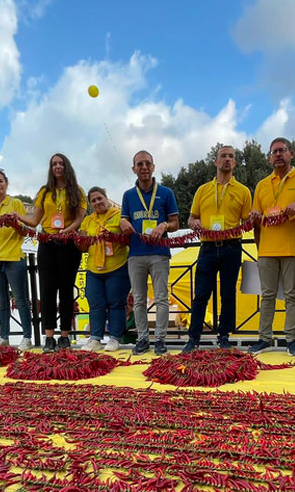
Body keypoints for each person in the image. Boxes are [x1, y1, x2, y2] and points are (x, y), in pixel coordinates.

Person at [250, 138, 295, 356]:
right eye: (274, 152)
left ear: (292, 154)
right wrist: (256, 223)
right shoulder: (261, 185)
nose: (278, 154)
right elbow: (256, 218)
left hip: (292, 247)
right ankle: (264, 338)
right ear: (269, 158)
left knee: (291, 295)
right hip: (267, 250)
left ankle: (292, 339)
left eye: (282, 150)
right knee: (267, 295)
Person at [182, 146, 252, 353]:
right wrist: (194, 223)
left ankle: (224, 336)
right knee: (201, 294)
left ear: (236, 163)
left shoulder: (243, 191)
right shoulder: (202, 190)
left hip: (232, 247)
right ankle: (193, 338)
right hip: (207, 248)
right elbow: (191, 217)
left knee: (228, 294)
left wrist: (253, 219)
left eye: (231, 156)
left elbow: (247, 222)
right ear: (215, 162)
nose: (227, 159)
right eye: (223, 156)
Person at [19, 154, 86, 352]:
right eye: (54, 164)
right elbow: (34, 220)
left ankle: (64, 336)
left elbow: (80, 218)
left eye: (61, 163)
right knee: (47, 289)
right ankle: (49, 337)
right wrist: (17, 217)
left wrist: (67, 231)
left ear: (67, 166)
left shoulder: (77, 191)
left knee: (66, 289)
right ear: (51, 168)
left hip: (68, 243)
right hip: (47, 243)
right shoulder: (45, 191)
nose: (58, 166)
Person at [120, 151, 179, 355]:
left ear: (153, 167)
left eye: (147, 164)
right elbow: (123, 219)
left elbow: (175, 223)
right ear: (134, 169)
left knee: (161, 297)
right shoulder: (128, 195)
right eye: (139, 164)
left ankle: (160, 339)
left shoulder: (166, 192)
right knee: (138, 299)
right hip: (136, 253)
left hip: (159, 252)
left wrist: (163, 225)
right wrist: (123, 222)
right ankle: (143, 338)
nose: (144, 167)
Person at [0, 169, 33, 350]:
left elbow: (24, 230)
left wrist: (14, 223)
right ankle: (4, 337)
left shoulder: (16, 203)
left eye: (0, 181)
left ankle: (27, 336)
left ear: (6, 183)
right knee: (1, 300)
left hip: (13, 256)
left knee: (20, 299)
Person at [77, 187, 130, 352]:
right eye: (93, 201)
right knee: (95, 304)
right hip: (94, 268)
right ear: (90, 204)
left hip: (117, 266)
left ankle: (114, 338)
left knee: (116, 304)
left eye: (100, 198)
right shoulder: (88, 220)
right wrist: (81, 239)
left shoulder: (119, 215)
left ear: (106, 198)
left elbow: (129, 239)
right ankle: (95, 338)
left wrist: (114, 237)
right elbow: (83, 247)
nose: (97, 202)